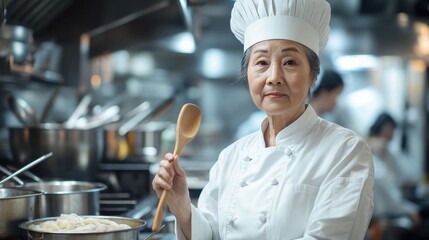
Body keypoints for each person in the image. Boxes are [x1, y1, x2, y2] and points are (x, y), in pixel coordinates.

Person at [152, 0, 374, 239]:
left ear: (313, 76)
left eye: (289, 62)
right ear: (247, 74)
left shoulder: (345, 151)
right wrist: (182, 207)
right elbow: (211, 235)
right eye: (261, 63)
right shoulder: (231, 156)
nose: (274, 77)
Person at [368, 112, 422, 238]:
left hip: (393, 207)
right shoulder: (370, 156)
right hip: (381, 214)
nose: (392, 134)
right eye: (390, 129)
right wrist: (409, 210)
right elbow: (389, 194)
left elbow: (400, 178)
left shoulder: (388, 155)